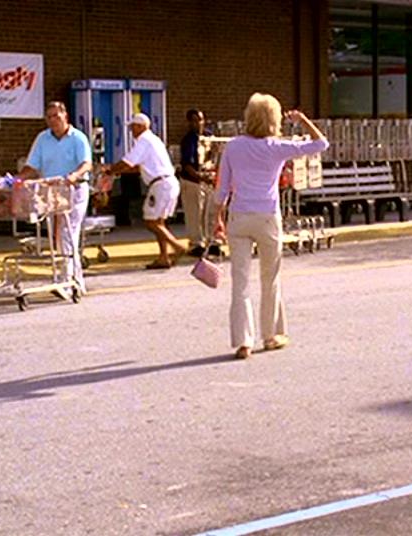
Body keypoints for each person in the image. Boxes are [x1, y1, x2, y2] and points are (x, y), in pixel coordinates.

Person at [215, 93, 329, 359]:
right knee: (270, 279)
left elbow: (222, 188)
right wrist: (302, 120)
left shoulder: (233, 146)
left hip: (239, 216)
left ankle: (243, 341)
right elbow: (321, 144)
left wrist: (216, 219)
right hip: (267, 216)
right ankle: (270, 335)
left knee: (240, 282)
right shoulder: (277, 147)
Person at [20, 101, 92, 296]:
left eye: (56, 116)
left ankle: (66, 281)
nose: (53, 120)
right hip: (51, 191)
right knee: (57, 236)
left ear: (65, 116)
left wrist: (74, 175)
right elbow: (32, 165)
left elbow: (86, 164)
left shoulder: (78, 138)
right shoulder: (43, 139)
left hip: (74, 189)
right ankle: (76, 281)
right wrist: (18, 180)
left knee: (68, 233)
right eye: (49, 117)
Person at [103, 113, 187, 269]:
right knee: (159, 221)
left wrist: (110, 170)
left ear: (141, 126)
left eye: (133, 127)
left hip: (160, 185)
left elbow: (128, 162)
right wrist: (118, 171)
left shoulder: (144, 140)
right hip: (168, 182)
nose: (131, 131)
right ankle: (163, 257)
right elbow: (138, 166)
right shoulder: (154, 140)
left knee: (150, 221)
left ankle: (177, 246)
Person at [179, 109, 219, 257]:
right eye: (194, 120)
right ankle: (197, 243)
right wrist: (201, 177)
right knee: (195, 214)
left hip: (208, 179)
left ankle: (212, 241)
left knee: (210, 213)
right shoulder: (188, 140)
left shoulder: (209, 137)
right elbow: (187, 165)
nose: (198, 123)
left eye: (200, 120)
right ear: (189, 122)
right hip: (193, 181)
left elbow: (215, 156)